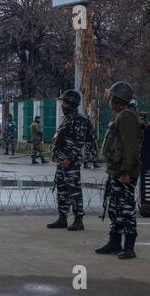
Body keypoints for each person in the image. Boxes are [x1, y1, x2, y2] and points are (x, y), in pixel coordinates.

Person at [96, 82, 143, 259]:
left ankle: (129, 246)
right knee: (115, 208)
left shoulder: (126, 117)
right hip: (116, 171)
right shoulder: (122, 115)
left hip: (124, 173)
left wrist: (125, 172)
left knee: (126, 209)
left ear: (118, 99)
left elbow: (130, 148)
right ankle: (114, 242)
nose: (110, 100)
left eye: (112, 97)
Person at [47, 90, 88, 231]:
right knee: (62, 190)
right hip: (62, 161)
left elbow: (79, 143)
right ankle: (62, 218)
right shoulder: (67, 120)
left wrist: (69, 159)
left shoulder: (79, 120)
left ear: (71, 104)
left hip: (71, 163)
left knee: (74, 191)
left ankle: (78, 219)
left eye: (64, 102)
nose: (62, 105)